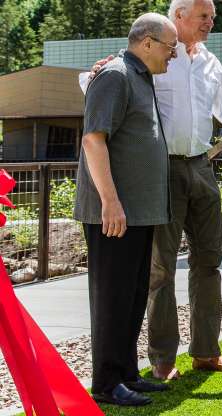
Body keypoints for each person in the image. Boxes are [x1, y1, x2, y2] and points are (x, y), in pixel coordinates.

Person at [80, 0, 222, 380]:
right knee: (160, 268)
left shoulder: (210, 63)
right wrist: (94, 71)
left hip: (201, 166)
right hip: (159, 171)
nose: (210, 24)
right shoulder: (153, 53)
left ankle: (206, 353)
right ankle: (163, 360)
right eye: (204, 17)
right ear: (177, 17)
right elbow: (96, 85)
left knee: (209, 261)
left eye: (213, 18)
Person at [74, 13, 175, 406]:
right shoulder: (114, 75)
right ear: (146, 42)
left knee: (132, 296)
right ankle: (105, 383)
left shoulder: (141, 76)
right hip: (114, 213)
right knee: (112, 297)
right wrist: (110, 203)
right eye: (169, 48)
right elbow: (93, 140)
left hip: (138, 212)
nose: (173, 55)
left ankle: (127, 373)